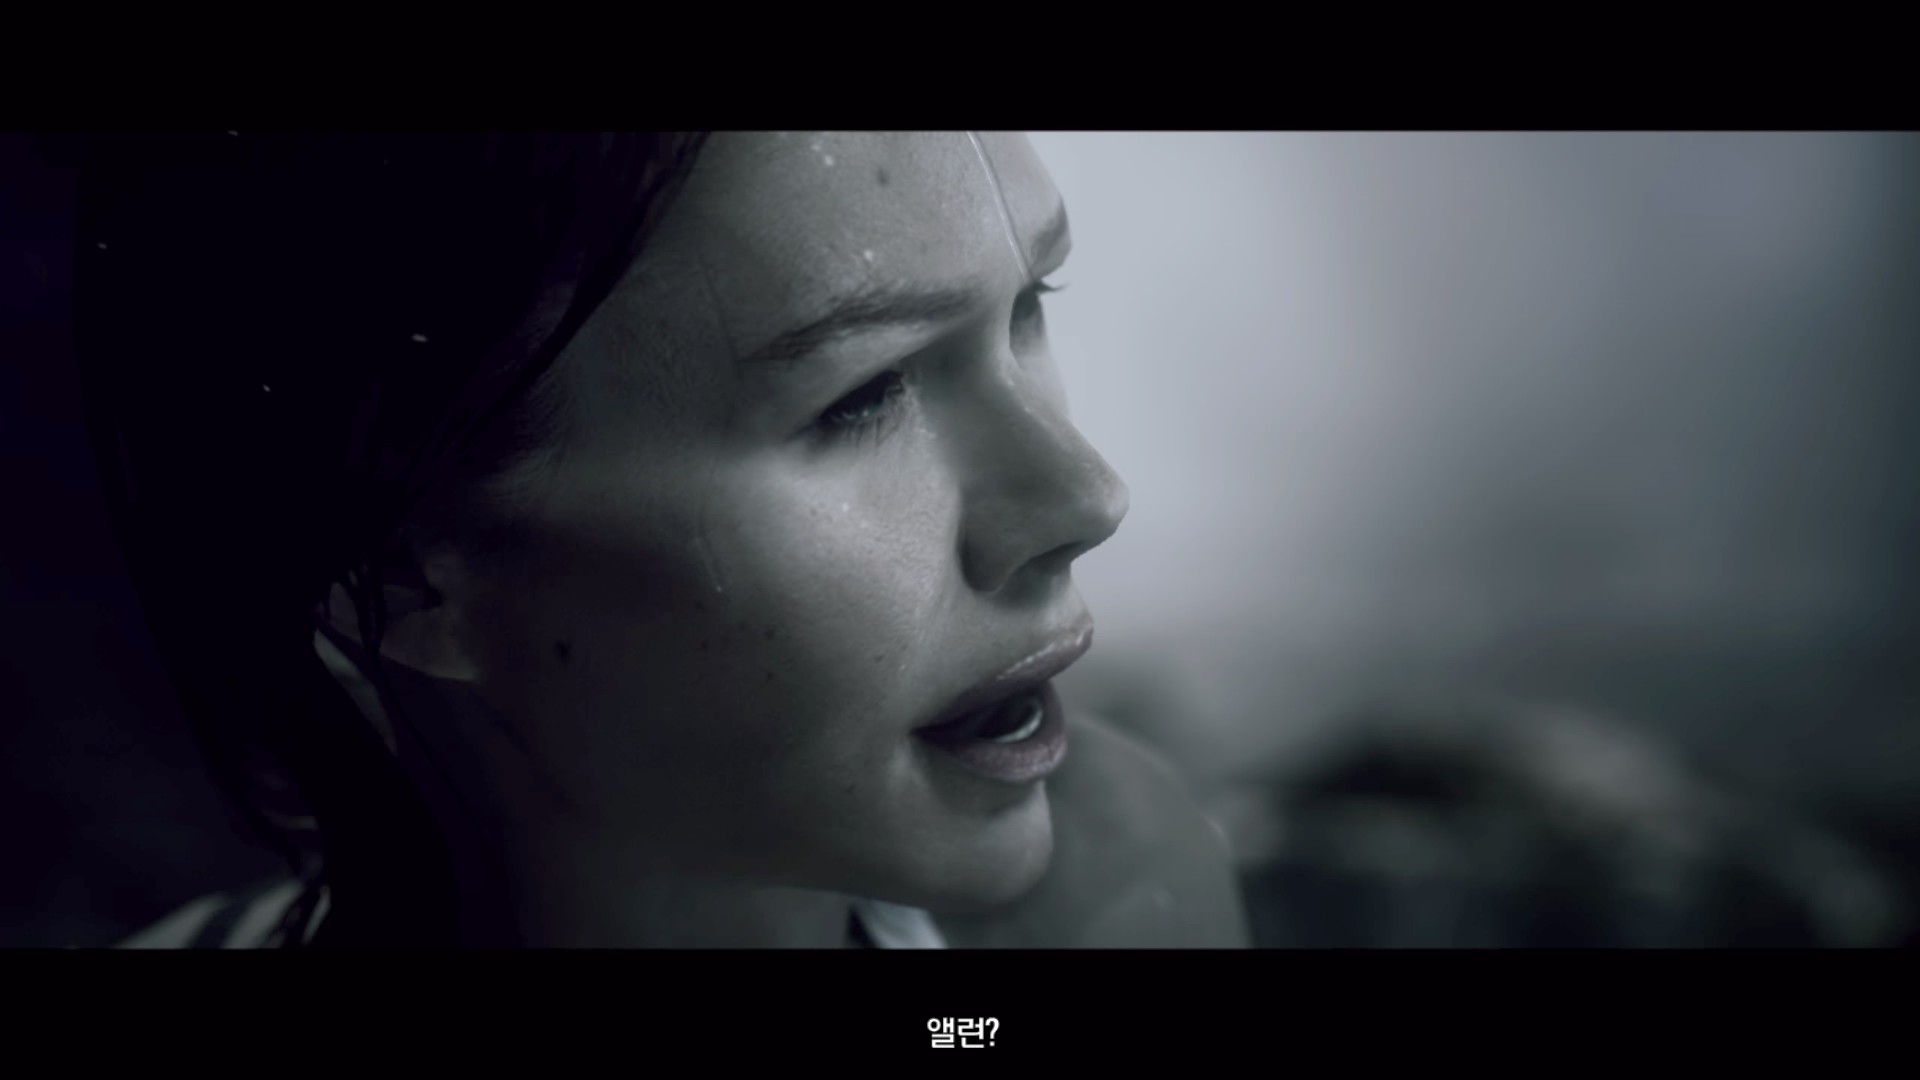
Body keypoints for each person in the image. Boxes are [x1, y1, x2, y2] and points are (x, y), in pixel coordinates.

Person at [75, 131, 1248, 948]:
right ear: (409, 574)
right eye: (863, 396)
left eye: (1032, 303)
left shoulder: (1123, 888)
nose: (1084, 500)